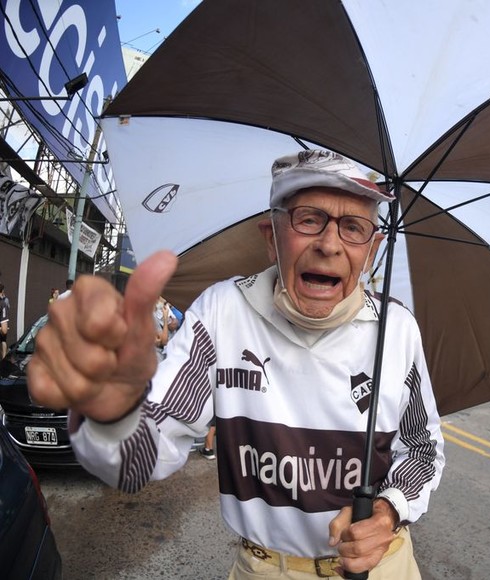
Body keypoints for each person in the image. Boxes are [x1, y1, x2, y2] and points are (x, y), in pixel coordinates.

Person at [28, 149, 446, 579]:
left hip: (382, 566)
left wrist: (386, 512)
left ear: (374, 249)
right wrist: (110, 411)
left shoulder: (395, 327)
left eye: (354, 228)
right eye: (308, 218)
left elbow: (422, 447)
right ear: (271, 237)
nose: (329, 244)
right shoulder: (223, 311)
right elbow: (140, 454)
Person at [0, 283, 9, 359]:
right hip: (2, 322)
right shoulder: (4, 302)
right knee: (3, 340)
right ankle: (3, 359)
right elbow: (4, 330)